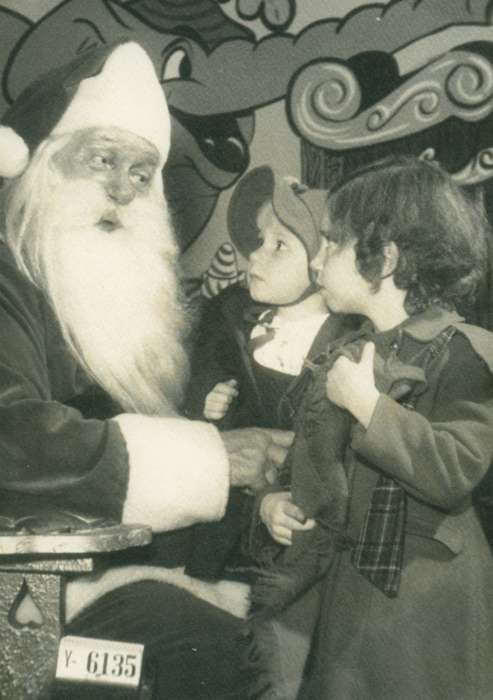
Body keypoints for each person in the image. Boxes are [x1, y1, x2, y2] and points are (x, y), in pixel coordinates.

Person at [0, 41, 294, 699]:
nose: (121, 190)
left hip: (77, 590)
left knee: (226, 639)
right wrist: (210, 462)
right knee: (193, 645)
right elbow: (11, 434)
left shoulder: (115, 298)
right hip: (17, 609)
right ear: (43, 164)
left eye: (141, 172)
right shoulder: (6, 277)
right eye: (102, 159)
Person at [268, 156, 493, 700]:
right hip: (346, 600)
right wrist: (273, 502)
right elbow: (306, 468)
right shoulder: (342, 352)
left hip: (424, 610)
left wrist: (370, 406)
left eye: (332, 243)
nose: (317, 260)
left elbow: (454, 467)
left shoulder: (467, 352)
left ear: (385, 257)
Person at [183, 166, 359, 697]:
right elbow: (198, 378)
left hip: (312, 542)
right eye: (256, 242)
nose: (253, 256)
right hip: (233, 532)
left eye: (278, 245)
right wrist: (204, 400)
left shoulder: (351, 337)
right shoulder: (229, 316)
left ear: (322, 260)